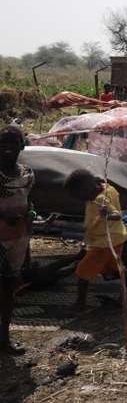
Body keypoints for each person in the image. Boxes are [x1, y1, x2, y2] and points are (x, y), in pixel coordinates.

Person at [64, 169, 127, 313]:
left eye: (79, 196)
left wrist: (107, 215)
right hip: (117, 237)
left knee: (82, 270)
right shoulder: (108, 189)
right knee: (117, 267)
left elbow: (117, 215)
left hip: (105, 242)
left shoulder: (100, 200)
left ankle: (80, 303)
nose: (81, 200)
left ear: (85, 189)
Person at [0, 126, 33, 355]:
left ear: (22, 146)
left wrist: (31, 213)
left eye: (13, 142)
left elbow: (28, 201)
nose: (8, 146)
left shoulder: (27, 174)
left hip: (18, 237)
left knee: (9, 288)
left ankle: (5, 337)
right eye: (3, 142)